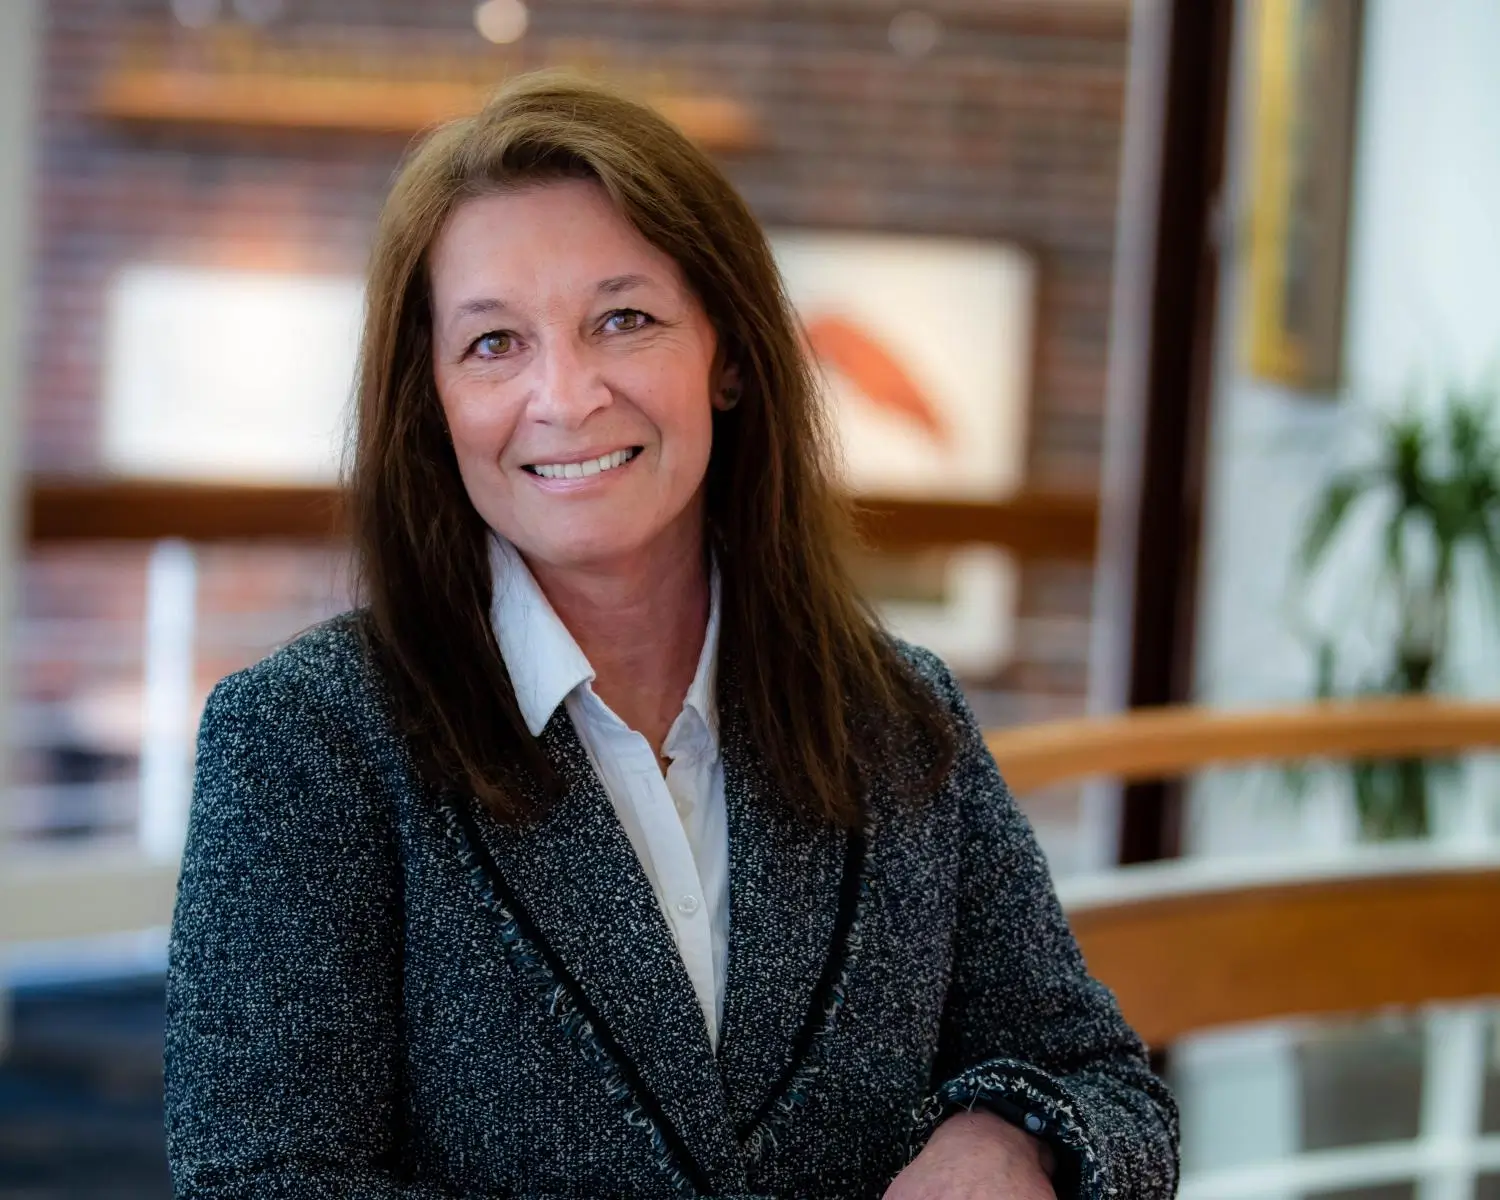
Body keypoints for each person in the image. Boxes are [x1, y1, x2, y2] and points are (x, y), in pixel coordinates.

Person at [163, 72, 1178, 1199]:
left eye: (624, 319)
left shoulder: (896, 717)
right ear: (434, 399)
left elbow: (1109, 1087)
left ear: (730, 356)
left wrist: (1009, 1137)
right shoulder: (307, 742)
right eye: (494, 343)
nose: (566, 394)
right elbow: (259, 1182)